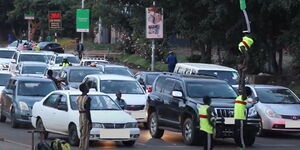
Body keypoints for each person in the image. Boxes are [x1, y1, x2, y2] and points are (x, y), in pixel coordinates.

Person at [77, 83, 92, 150]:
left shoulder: (78, 98)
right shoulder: (87, 98)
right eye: (87, 87)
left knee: (82, 133)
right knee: (86, 134)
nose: (88, 88)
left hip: (80, 116)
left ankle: (81, 147)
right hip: (85, 116)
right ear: (84, 89)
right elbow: (88, 111)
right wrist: (90, 121)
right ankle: (84, 148)